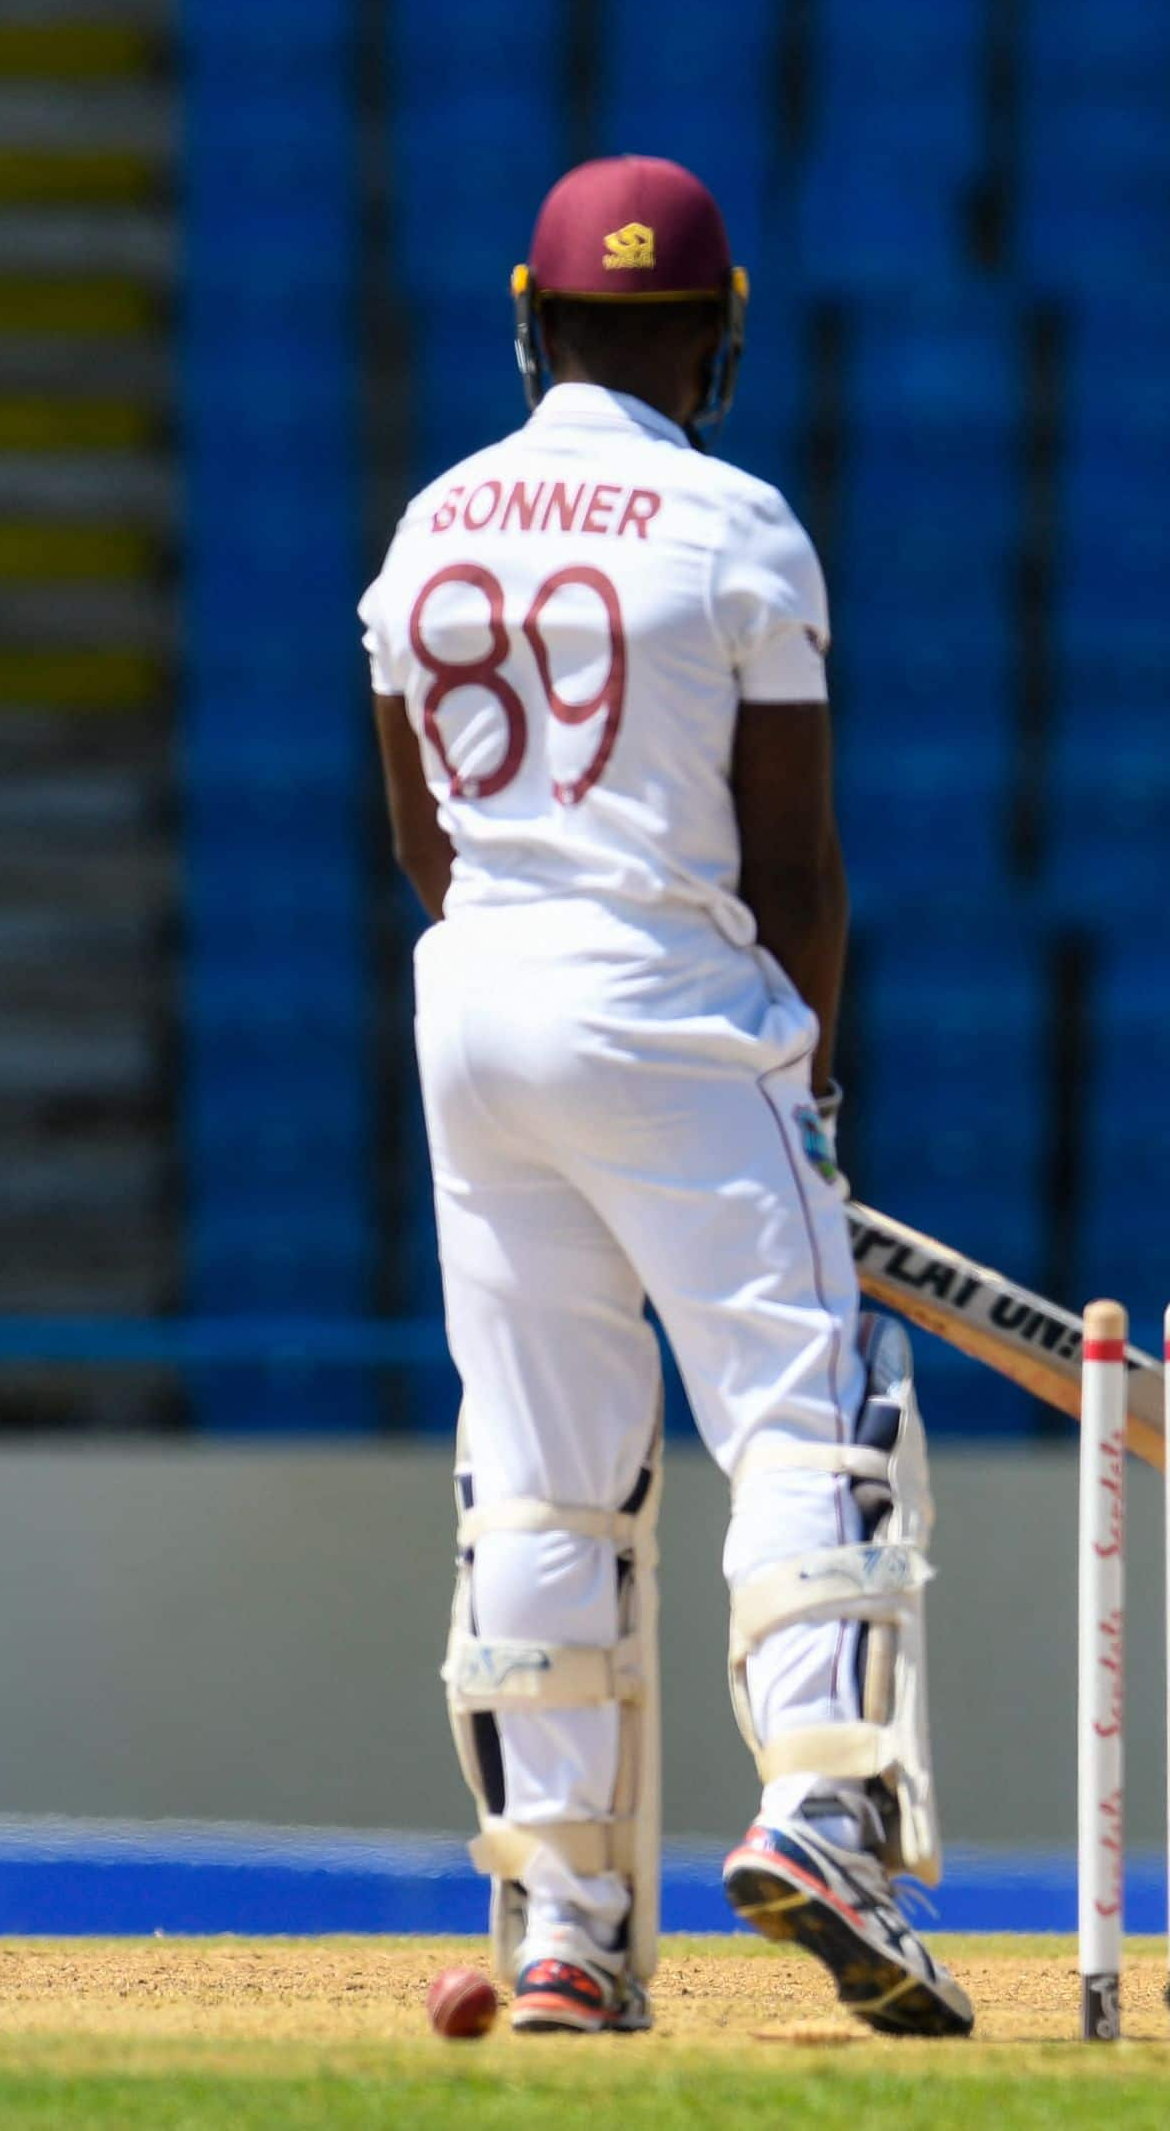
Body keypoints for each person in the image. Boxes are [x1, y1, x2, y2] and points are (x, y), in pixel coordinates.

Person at [364, 156, 966, 2038]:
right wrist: (805, 1090)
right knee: (810, 1405)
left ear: (530, 323)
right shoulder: (737, 529)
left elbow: (422, 838)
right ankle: (823, 1808)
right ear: (715, 340)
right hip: (688, 1014)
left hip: (477, 1012)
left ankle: (563, 1920)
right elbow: (795, 870)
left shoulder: (428, 526)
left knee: (540, 1462)